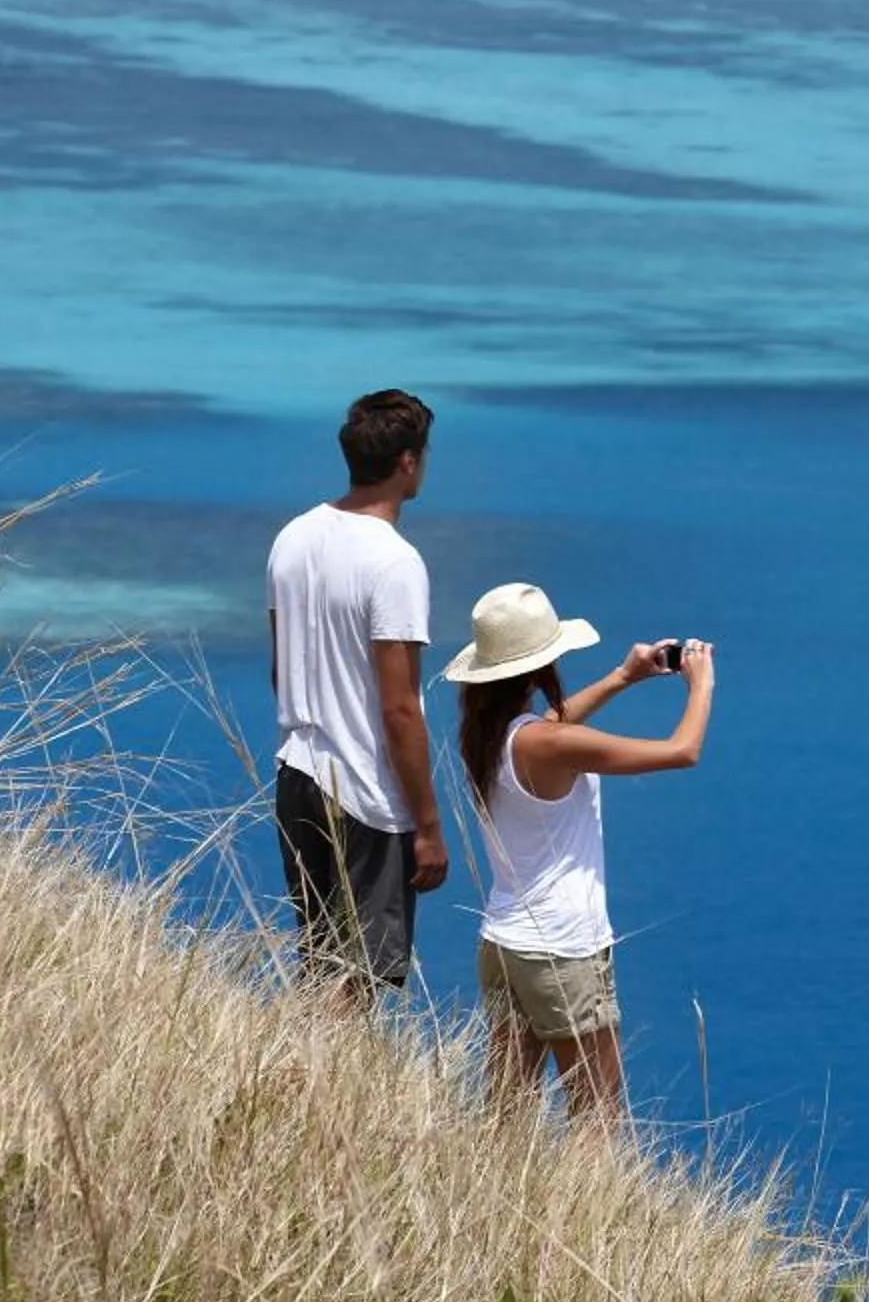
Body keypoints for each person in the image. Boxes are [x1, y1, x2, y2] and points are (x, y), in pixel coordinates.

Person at [445, 579, 715, 1125]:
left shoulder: (489, 735)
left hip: (504, 943)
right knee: (597, 1113)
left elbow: (551, 727)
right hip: (563, 950)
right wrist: (701, 684)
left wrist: (624, 677)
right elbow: (681, 751)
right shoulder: (549, 744)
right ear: (540, 669)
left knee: (507, 1109)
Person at [267, 389, 444, 1005]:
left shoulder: (293, 537)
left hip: (297, 770)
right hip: (365, 791)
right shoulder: (395, 563)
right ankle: (317, 1069)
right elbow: (400, 707)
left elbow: (280, 666)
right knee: (359, 975)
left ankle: (292, 1061)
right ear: (407, 462)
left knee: (318, 956)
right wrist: (427, 825)